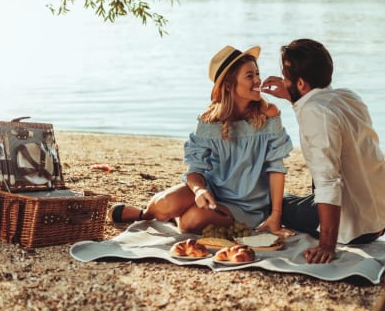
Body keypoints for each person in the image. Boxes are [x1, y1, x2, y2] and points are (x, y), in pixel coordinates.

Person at [109, 45, 295, 236]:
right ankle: (145, 215)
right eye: (249, 76)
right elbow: (195, 170)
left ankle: (176, 216)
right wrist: (198, 191)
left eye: (257, 73)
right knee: (165, 203)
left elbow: (276, 167)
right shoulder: (209, 121)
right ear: (229, 85)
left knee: (190, 222)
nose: (258, 80)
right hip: (210, 192)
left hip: (246, 206)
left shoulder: (269, 114)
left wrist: (276, 215)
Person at [261, 39, 385, 264]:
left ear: (302, 84)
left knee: (270, 201)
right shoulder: (347, 97)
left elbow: (328, 182)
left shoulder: (315, 114)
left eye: (286, 77)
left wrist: (327, 245)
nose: (282, 81)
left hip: (359, 228)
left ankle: (325, 232)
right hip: (384, 213)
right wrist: (290, 93)